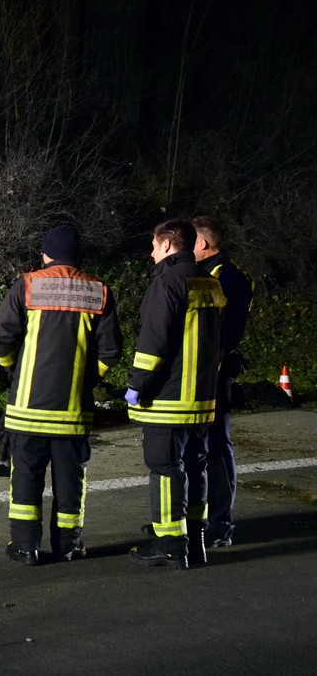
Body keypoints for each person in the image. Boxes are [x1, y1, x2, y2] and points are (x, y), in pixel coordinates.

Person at [0, 225, 123, 565]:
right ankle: (68, 545)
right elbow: (110, 352)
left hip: (27, 410)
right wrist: (85, 380)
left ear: (45, 254)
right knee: (70, 484)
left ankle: (25, 547)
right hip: (72, 413)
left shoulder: (28, 285)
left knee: (25, 481)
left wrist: (14, 370)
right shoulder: (99, 291)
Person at [125, 219, 225, 570]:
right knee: (195, 468)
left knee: (165, 468)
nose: (151, 253)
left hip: (168, 398)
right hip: (201, 397)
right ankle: (194, 542)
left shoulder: (167, 281)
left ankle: (168, 544)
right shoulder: (209, 282)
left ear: (168, 244)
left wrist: (137, 385)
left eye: (154, 246)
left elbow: (154, 341)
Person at [191, 216, 254, 548]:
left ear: (203, 244)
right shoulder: (234, 272)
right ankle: (204, 520)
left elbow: (220, 329)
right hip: (212, 367)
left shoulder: (218, 276)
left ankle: (218, 524)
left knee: (215, 445)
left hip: (212, 370)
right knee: (209, 444)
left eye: (191, 240)